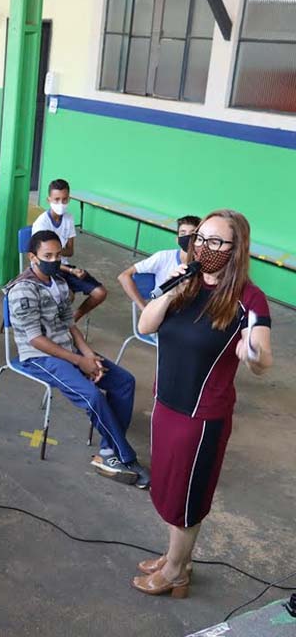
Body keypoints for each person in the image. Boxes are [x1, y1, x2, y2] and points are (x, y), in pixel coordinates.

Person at [132, 210, 273, 598]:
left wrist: (253, 351)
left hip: (201, 416)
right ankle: (175, 556)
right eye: (200, 238)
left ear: (235, 248)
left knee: (187, 495)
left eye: (215, 242)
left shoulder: (249, 299)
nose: (203, 247)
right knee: (166, 486)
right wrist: (175, 290)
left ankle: (177, 571)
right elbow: (146, 326)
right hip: (166, 404)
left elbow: (263, 360)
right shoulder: (186, 281)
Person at [6, 229, 148, 486]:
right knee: (91, 395)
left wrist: (89, 355)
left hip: (67, 349)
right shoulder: (22, 290)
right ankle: (126, 457)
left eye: (58, 254)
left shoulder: (59, 282)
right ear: (32, 257)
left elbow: (69, 324)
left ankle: (107, 452)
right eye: (47, 255)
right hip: (39, 356)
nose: (54, 260)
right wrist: (79, 362)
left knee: (124, 381)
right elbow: (35, 340)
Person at [32, 179, 108, 322]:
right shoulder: (41, 224)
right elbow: (43, 259)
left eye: (64, 199)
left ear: (69, 199)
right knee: (68, 295)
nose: (61, 204)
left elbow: (70, 251)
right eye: (56, 199)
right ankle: (52, 326)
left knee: (100, 293)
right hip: (45, 269)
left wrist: (57, 255)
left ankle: (72, 321)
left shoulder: (68, 218)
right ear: (48, 199)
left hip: (64, 267)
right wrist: (66, 263)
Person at [118, 215, 202, 307]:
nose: (187, 237)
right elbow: (124, 276)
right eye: (183, 233)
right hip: (161, 311)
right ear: (177, 239)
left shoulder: (206, 264)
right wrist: (144, 308)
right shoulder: (163, 257)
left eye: (192, 233)